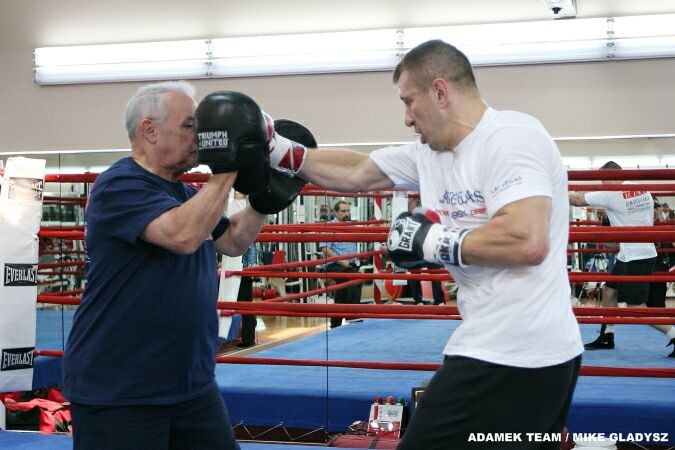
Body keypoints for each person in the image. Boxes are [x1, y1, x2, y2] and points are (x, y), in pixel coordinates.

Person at [221, 39, 582, 449]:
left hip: (516, 351)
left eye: (410, 102)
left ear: (440, 92)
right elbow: (358, 171)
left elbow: (527, 240)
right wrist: (280, 150)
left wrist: (430, 240)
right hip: (517, 348)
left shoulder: (511, 137)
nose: (407, 118)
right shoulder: (429, 154)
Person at [62, 82, 299, 449]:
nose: (201, 137)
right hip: (121, 390)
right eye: (191, 126)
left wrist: (264, 199)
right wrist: (228, 165)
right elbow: (183, 235)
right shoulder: (120, 184)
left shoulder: (184, 193)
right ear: (149, 130)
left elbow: (233, 240)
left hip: (190, 385)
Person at [569, 161, 675, 357]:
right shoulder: (642, 190)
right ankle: (607, 335)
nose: (601, 183)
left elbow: (576, 200)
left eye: (602, 179)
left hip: (637, 257)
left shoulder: (611, 193)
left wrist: (555, 188)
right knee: (609, 291)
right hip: (632, 254)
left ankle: (674, 334)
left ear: (611, 177)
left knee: (636, 307)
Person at [319, 200, 363, 328]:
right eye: (343, 211)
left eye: (348, 210)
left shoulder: (351, 226)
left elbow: (366, 232)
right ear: (335, 212)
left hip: (349, 265)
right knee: (355, 278)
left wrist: (380, 224)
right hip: (334, 265)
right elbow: (325, 249)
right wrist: (340, 260)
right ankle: (352, 314)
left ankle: (335, 325)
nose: (346, 213)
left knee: (342, 292)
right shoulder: (329, 226)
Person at [405, 198, 446, 305]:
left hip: (429, 242)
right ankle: (418, 300)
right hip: (414, 243)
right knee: (414, 271)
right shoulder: (406, 212)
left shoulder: (429, 205)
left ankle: (439, 300)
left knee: (435, 272)